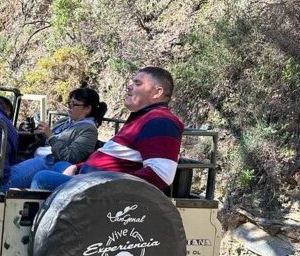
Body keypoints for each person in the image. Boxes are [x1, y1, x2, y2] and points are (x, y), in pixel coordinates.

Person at [30, 66, 184, 191]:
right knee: (60, 166)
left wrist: (96, 182)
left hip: (98, 190)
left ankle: (41, 227)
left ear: (158, 92)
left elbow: (161, 175)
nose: (129, 86)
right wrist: (78, 167)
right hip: (90, 178)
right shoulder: (143, 118)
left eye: (138, 84)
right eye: (132, 82)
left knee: (41, 178)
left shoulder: (161, 121)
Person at [5, 87, 107, 189]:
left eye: (74, 104)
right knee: (3, 165)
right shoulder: (65, 121)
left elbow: (71, 157)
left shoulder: (89, 130)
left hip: (50, 161)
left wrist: (50, 136)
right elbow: (47, 140)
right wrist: (39, 133)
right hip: (37, 155)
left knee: (8, 180)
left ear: (87, 109)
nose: (69, 107)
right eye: (69, 103)